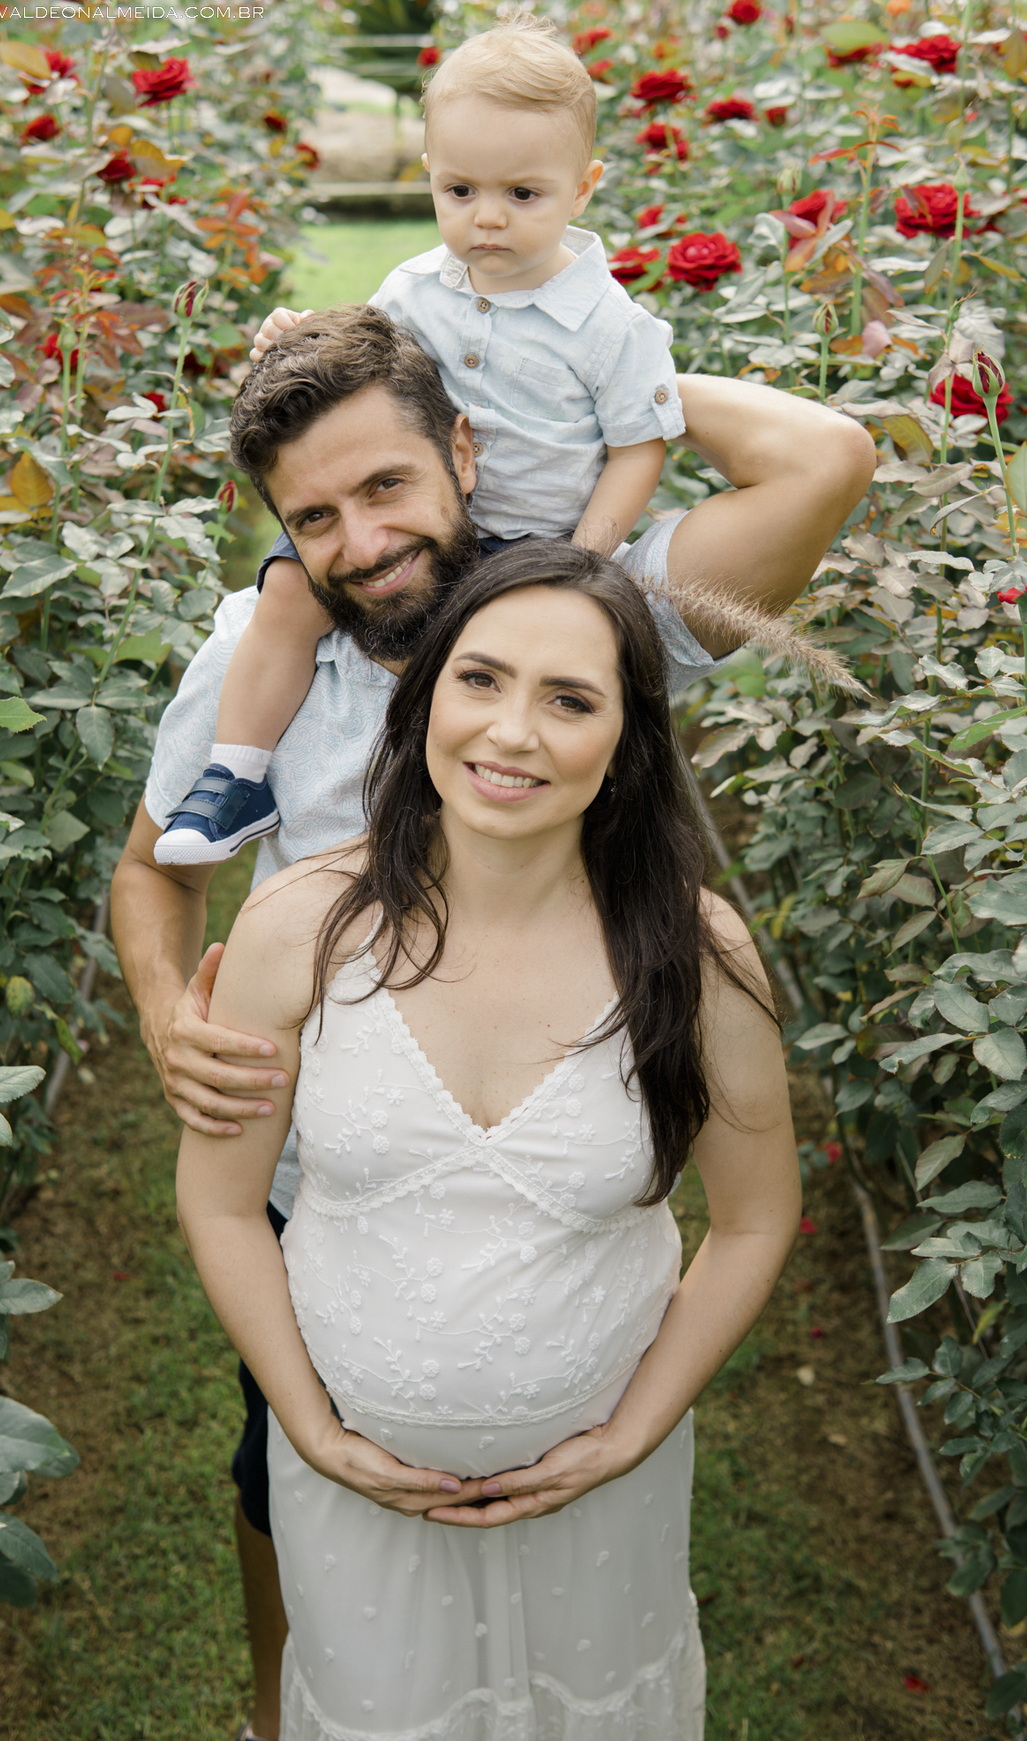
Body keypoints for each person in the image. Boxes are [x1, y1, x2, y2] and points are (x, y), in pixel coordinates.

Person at [110, 302, 875, 1741]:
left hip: (563, 1153)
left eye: (388, 483)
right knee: (280, 1476)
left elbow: (825, 457)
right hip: (318, 1167)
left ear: (468, 443)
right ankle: (297, 1709)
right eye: (313, 516)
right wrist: (169, 1019)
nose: (359, 543)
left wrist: (551, 351)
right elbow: (158, 871)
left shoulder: (595, 610)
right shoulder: (264, 664)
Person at [176, 541, 804, 1739]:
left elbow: (756, 1215)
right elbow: (219, 1199)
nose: (511, 732)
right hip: (352, 1493)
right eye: (481, 679)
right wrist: (308, 1425)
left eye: (570, 700)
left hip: (597, 1507)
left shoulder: (695, 951)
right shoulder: (301, 926)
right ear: (425, 701)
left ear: (627, 741)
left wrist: (632, 1432)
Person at [154, 14, 684, 867]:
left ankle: (528, 841)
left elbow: (638, 448)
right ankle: (238, 776)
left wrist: (587, 556)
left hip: (534, 543)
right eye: (460, 192)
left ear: (582, 188)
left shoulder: (611, 327)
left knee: (509, 665)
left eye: (523, 195)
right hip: (434, 517)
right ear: (431, 175)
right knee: (290, 595)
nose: (487, 220)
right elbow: (358, 358)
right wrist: (294, 331)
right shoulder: (413, 288)